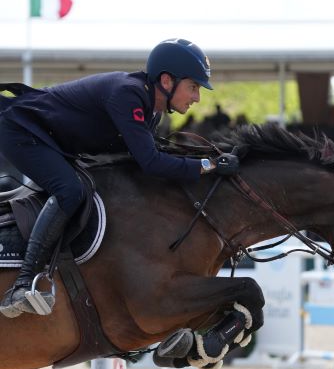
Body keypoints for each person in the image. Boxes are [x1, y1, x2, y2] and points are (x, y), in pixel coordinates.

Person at [0, 38, 239, 318]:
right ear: (166, 80)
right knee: (70, 190)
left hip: (50, 139)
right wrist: (208, 165)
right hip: (21, 131)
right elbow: (151, 163)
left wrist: (209, 162)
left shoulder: (150, 111)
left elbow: (149, 159)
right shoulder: (128, 95)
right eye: (194, 87)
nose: (197, 97)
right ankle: (23, 283)